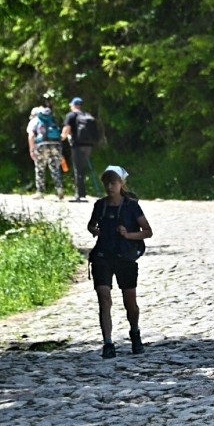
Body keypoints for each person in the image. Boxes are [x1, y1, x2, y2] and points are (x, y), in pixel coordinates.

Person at [87, 166, 153, 359]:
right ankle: (107, 342)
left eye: (113, 182)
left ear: (121, 183)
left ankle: (135, 332)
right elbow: (91, 224)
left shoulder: (131, 206)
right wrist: (93, 229)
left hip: (125, 256)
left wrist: (128, 234)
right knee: (103, 296)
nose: (109, 186)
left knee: (129, 301)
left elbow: (148, 231)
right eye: (106, 182)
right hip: (102, 256)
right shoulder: (100, 205)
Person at [26, 105, 65, 200]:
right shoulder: (52, 119)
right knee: (55, 167)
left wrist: (32, 150)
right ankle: (59, 189)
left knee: (40, 168)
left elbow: (31, 135)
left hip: (42, 145)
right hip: (55, 144)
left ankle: (40, 192)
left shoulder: (34, 121)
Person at [62, 97, 94, 202]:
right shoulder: (86, 115)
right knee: (82, 169)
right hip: (88, 146)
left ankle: (79, 195)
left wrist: (61, 138)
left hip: (77, 146)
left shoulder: (71, 115)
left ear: (73, 106)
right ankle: (83, 193)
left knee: (78, 169)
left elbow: (66, 130)